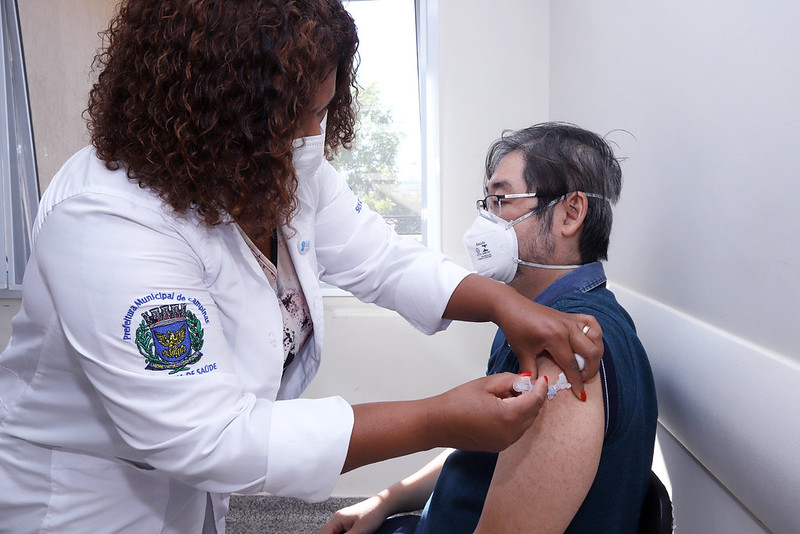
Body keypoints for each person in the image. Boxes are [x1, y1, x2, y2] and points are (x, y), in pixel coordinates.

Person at [0, 3, 603, 533]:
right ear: (219, 112)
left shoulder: (277, 172)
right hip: (80, 502)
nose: (315, 135)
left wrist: (505, 304)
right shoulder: (107, 220)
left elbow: (385, 260)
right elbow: (213, 437)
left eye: (324, 108)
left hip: (192, 492)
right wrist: (434, 419)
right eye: (299, 115)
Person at [321, 122, 658, 534]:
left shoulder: (569, 351)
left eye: (501, 200)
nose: (485, 221)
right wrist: (388, 499)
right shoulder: (531, 319)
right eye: (487, 202)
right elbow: (485, 443)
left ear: (571, 213)